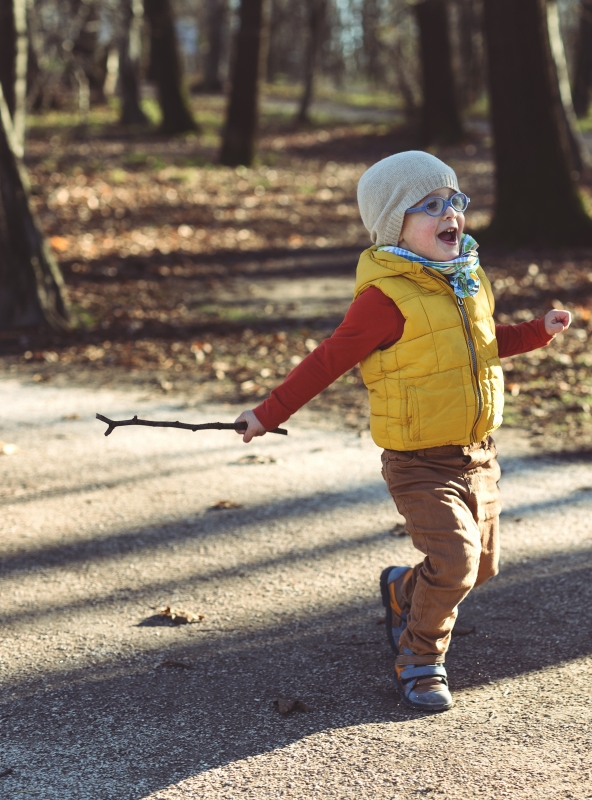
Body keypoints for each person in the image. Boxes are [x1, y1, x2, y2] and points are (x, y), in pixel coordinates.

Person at [234, 151, 571, 712]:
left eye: (454, 201)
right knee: (457, 563)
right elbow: (328, 360)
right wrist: (267, 413)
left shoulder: (466, 278)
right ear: (395, 224)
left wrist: (537, 331)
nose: (451, 214)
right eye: (431, 206)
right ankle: (420, 658)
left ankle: (401, 590)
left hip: (478, 454)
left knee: (481, 567)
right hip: (419, 460)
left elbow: (487, 343)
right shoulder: (384, 299)